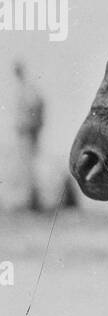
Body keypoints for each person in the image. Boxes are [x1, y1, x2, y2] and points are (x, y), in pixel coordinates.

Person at [12, 61, 46, 211]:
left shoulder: (27, 88)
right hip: (27, 132)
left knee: (29, 166)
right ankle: (31, 201)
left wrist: (31, 125)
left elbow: (37, 104)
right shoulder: (26, 87)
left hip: (28, 133)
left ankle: (32, 202)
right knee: (27, 166)